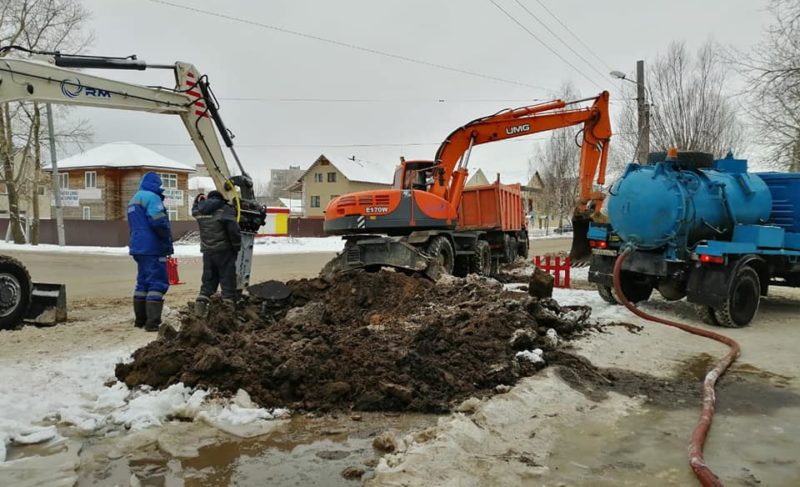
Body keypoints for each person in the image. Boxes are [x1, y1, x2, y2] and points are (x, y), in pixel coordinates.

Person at [127, 172, 174, 332]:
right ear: (155, 185)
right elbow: (158, 222)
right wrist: (166, 239)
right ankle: (153, 323)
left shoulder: (134, 199)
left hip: (138, 246)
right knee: (157, 282)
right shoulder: (152, 198)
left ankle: (140, 320)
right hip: (153, 246)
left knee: (143, 282)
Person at [192, 190, 241, 315]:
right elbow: (233, 229)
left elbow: (194, 208)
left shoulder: (199, 210)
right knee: (227, 280)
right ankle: (228, 313)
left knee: (208, 280)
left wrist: (198, 197)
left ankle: (200, 310)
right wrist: (236, 246)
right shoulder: (224, 209)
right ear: (220, 199)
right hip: (224, 251)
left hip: (208, 251)